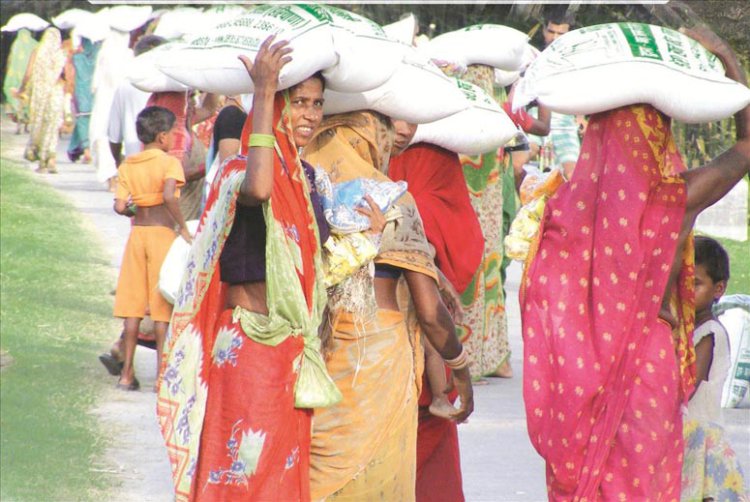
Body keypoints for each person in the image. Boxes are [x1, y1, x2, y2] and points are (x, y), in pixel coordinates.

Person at [520, 26, 750, 498]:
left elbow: (543, 310)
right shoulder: (674, 199)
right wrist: (728, 58)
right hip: (650, 364)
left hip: (578, 381)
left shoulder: (561, 210)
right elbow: (747, 148)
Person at [157, 37, 350, 501]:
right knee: (242, 479)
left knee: (280, 481)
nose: (309, 114)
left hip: (290, 353)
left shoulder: (307, 181)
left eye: (317, 104)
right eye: (298, 102)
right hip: (248, 349)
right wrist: (263, 92)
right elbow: (261, 189)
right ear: (277, 107)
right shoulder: (239, 169)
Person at [303, 110, 474, 501]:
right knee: (375, 466)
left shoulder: (305, 188)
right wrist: (460, 374)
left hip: (322, 350)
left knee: (325, 469)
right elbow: (430, 313)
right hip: (381, 353)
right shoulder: (392, 199)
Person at [389, 123, 486, 502]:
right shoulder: (350, 142)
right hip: (399, 323)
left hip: (375, 337)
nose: (399, 130)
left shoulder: (431, 154)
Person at [112, 105, 191, 391]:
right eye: (171, 133)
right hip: (161, 236)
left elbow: (121, 206)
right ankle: (161, 377)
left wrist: (134, 208)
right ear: (161, 136)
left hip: (137, 236)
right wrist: (182, 226)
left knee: (133, 307)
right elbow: (170, 195)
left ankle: (127, 375)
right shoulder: (169, 163)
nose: (173, 138)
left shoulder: (128, 164)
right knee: (160, 308)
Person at [681, 236, 747, 499]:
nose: (686, 290)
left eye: (695, 283)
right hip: (688, 436)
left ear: (718, 289)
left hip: (701, 439)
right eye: (682, 282)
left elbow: (687, 386)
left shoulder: (709, 333)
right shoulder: (690, 329)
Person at [21, 27, 66, 174]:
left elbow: (28, 73)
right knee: (52, 127)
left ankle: (42, 162)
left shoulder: (38, 51)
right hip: (55, 94)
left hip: (40, 95)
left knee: (39, 125)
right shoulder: (61, 55)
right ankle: (51, 159)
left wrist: (23, 88)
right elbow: (65, 78)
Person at [67, 36, 100, 163]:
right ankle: (80, 149)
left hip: (81, 95)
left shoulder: (77, 58)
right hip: (96, 96)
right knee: (93, 124)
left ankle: (85, 150)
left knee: (82, 123)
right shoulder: (100, 58)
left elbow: (69, 74)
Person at [3, 28, 37, 134]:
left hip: (16, 76)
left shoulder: (16, 44)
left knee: (16, 96)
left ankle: (19, 119)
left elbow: (10, 59)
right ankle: (27, 123)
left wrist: (8, 72)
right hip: (29, 77)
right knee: (28, 98)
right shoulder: (35, 44)